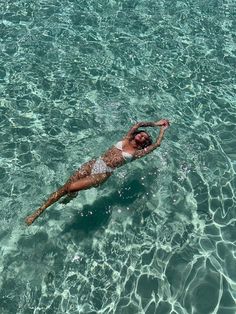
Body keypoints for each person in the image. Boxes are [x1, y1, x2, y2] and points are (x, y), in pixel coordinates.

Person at [25, 119, 170, 225]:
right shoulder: (126, 138)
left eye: (145, 138)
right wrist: (156, 124)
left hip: (103, 173)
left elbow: (157, 144)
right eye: (142, 134)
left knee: (71, 187)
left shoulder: (137, 153)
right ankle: (38, 212)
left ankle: (72, 193)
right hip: (94, 163)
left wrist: (162, 131)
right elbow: (138, 124)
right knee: (64, 188)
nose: (142, 136)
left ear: (144, 143)